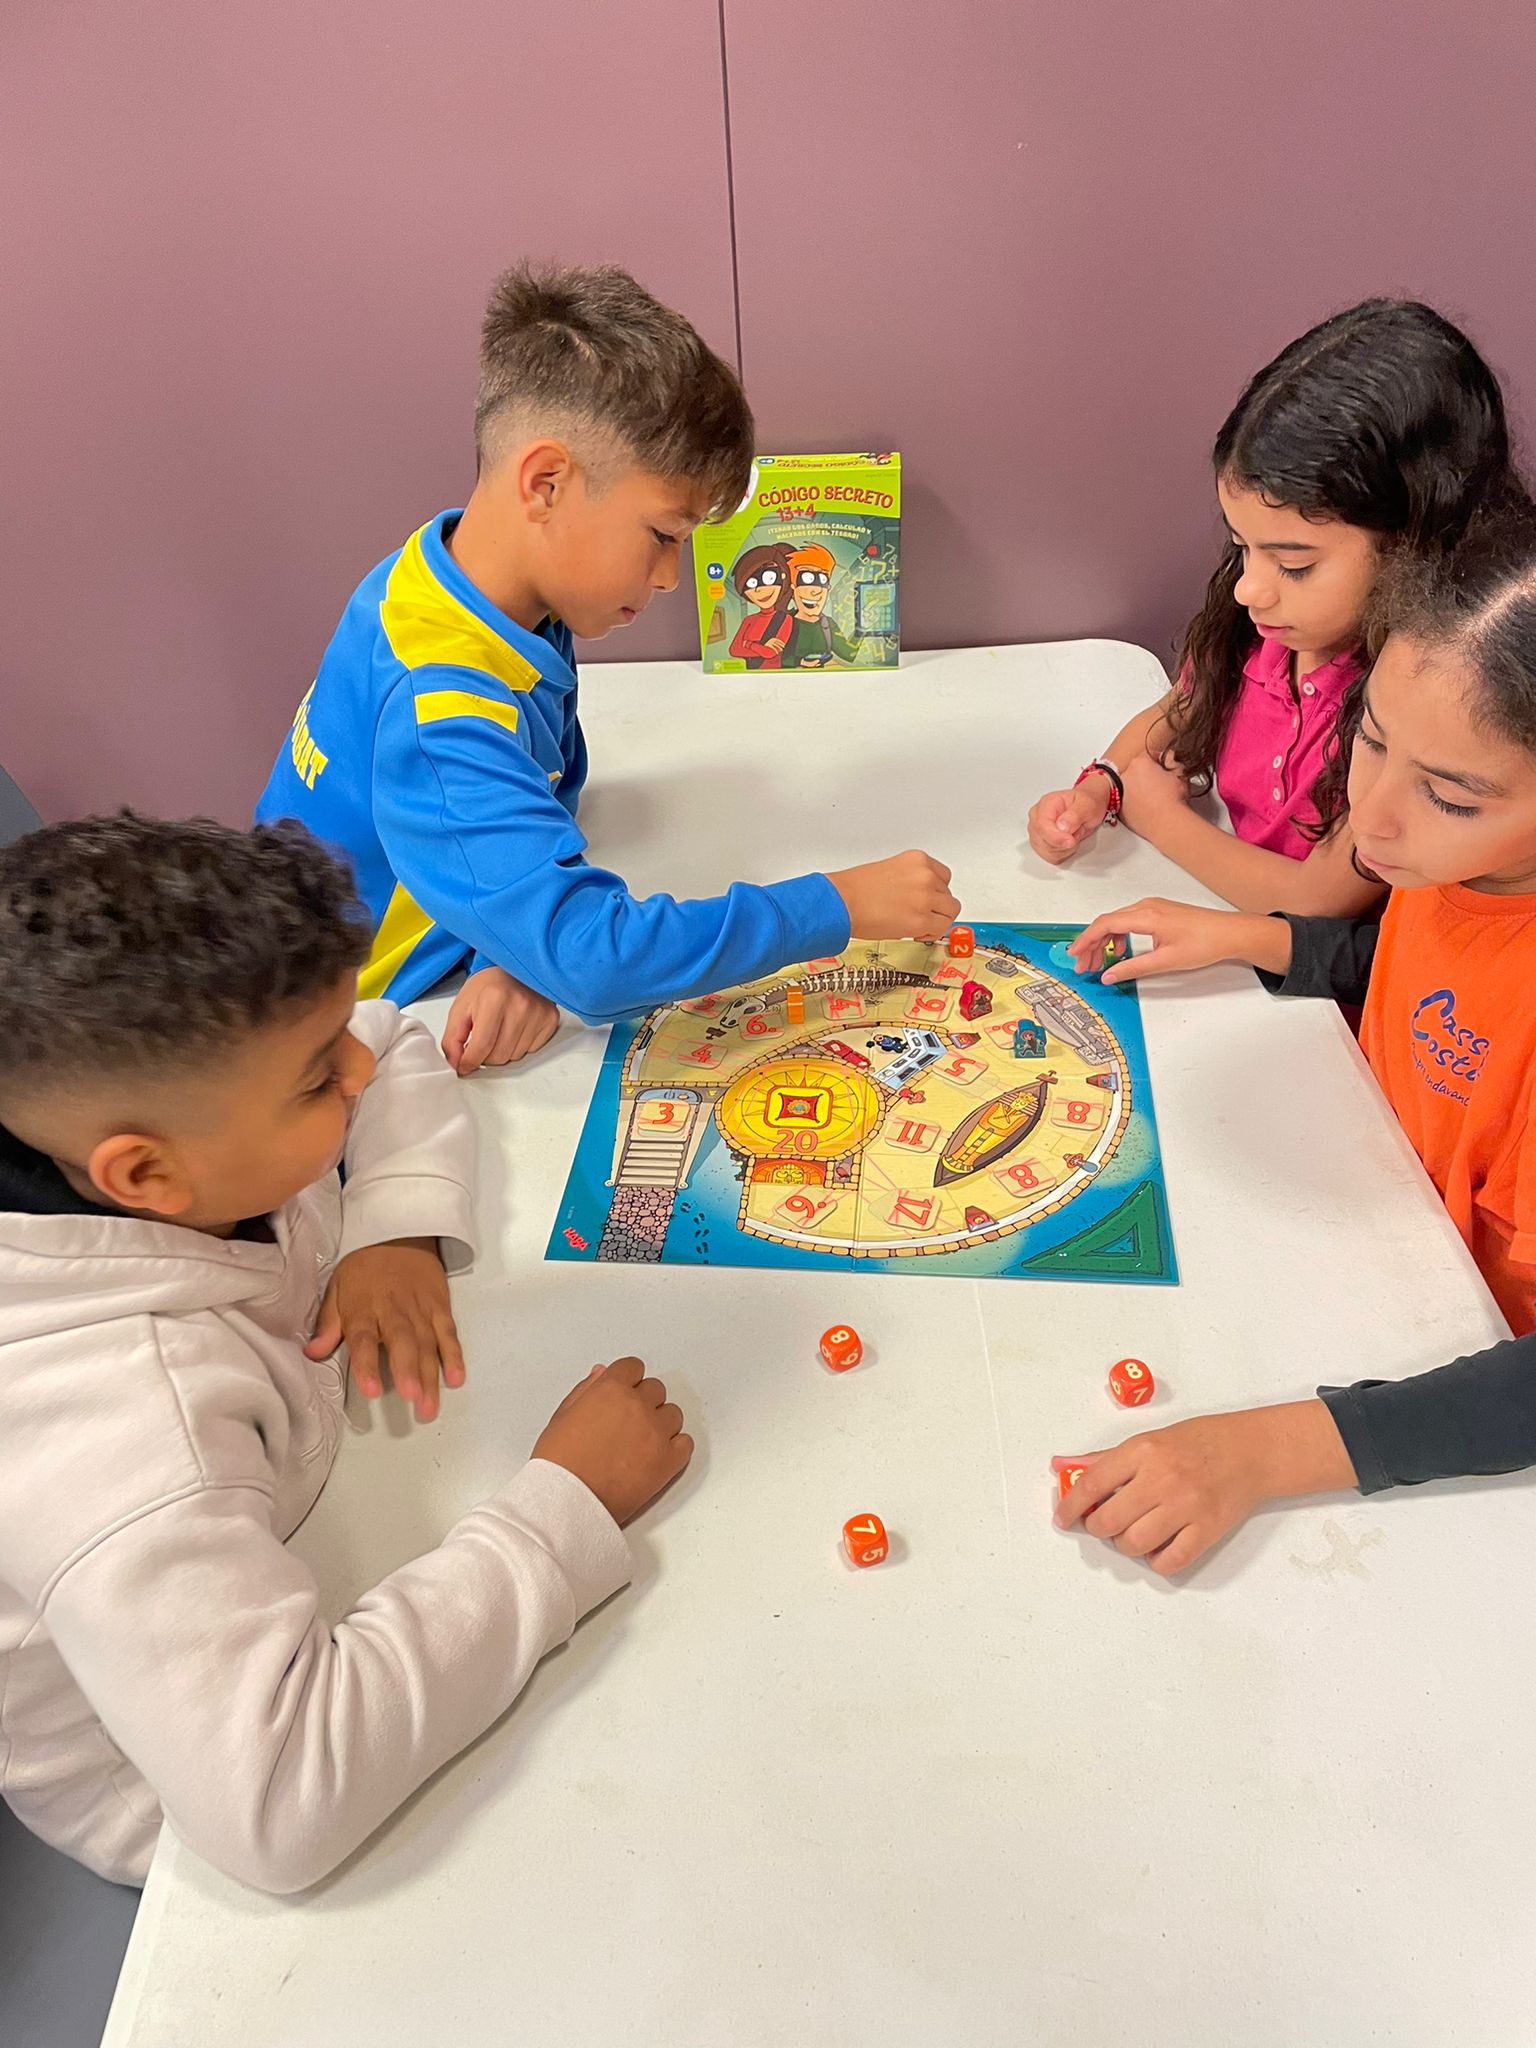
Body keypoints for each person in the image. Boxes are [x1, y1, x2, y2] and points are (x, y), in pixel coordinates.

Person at [0, 813, 692, 1891]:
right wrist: (562, 1511)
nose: (358, 1066)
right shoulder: (123, 1431)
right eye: (319, 1081)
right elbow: (282, 1802)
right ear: (144, 1177)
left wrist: (393, 1226)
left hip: (312, 1523)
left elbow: (396, 1035)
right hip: (187, 1805)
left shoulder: (192, 1107)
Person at [256, 264, 955, 1072]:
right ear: (545, 483)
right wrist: (834, 904)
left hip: (431, 953)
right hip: (323, 1037)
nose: (669, 578)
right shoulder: (437, 706)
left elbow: (542, 781)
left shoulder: (470, 584)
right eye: (662, 535)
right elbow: (598, 958)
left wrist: (507, 948)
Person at [1055, 506, 1536, 1575]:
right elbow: (1426, 981)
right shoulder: (1463, 864)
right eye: (1373, 739)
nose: (1372, 818)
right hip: (1359, 1233)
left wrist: (1264, 1451)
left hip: (1459, 1393)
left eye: (1449, 796)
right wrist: (1257, 937)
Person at [1027, 299, 1523, 916]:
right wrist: (1101, 788)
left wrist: (1157, 815)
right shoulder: (1268, 632)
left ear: (1414, 543)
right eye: (1242, 547)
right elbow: (1175, 711)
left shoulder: (1407, 704)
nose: (1248, 589)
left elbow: (1316, 901)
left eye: (1294, 565)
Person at [727, 542, 795, 667]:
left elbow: (770, 653)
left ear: (783, 576)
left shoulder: (786, 619)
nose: (759, 590)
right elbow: (734, 650)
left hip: (777, 673)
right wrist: (760, 647)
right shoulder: (749, 620)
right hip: (750, 674)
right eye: (752, 583)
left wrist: (747, 644)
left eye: (769, 578)